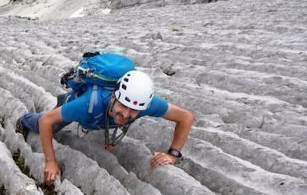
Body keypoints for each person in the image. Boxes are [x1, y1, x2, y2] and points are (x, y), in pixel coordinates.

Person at [16, 69, 194, 184]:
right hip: (75, 104)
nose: (126, 114)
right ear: (114, 97)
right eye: (123, 106)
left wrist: (173, 155)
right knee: (50, 126)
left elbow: (186, 117)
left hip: (99, 118)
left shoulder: (144, 104)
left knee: (116, 122)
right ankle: (24, 119)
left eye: (134, 111)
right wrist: (51, 161)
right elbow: (46, 121)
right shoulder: (85, 104)